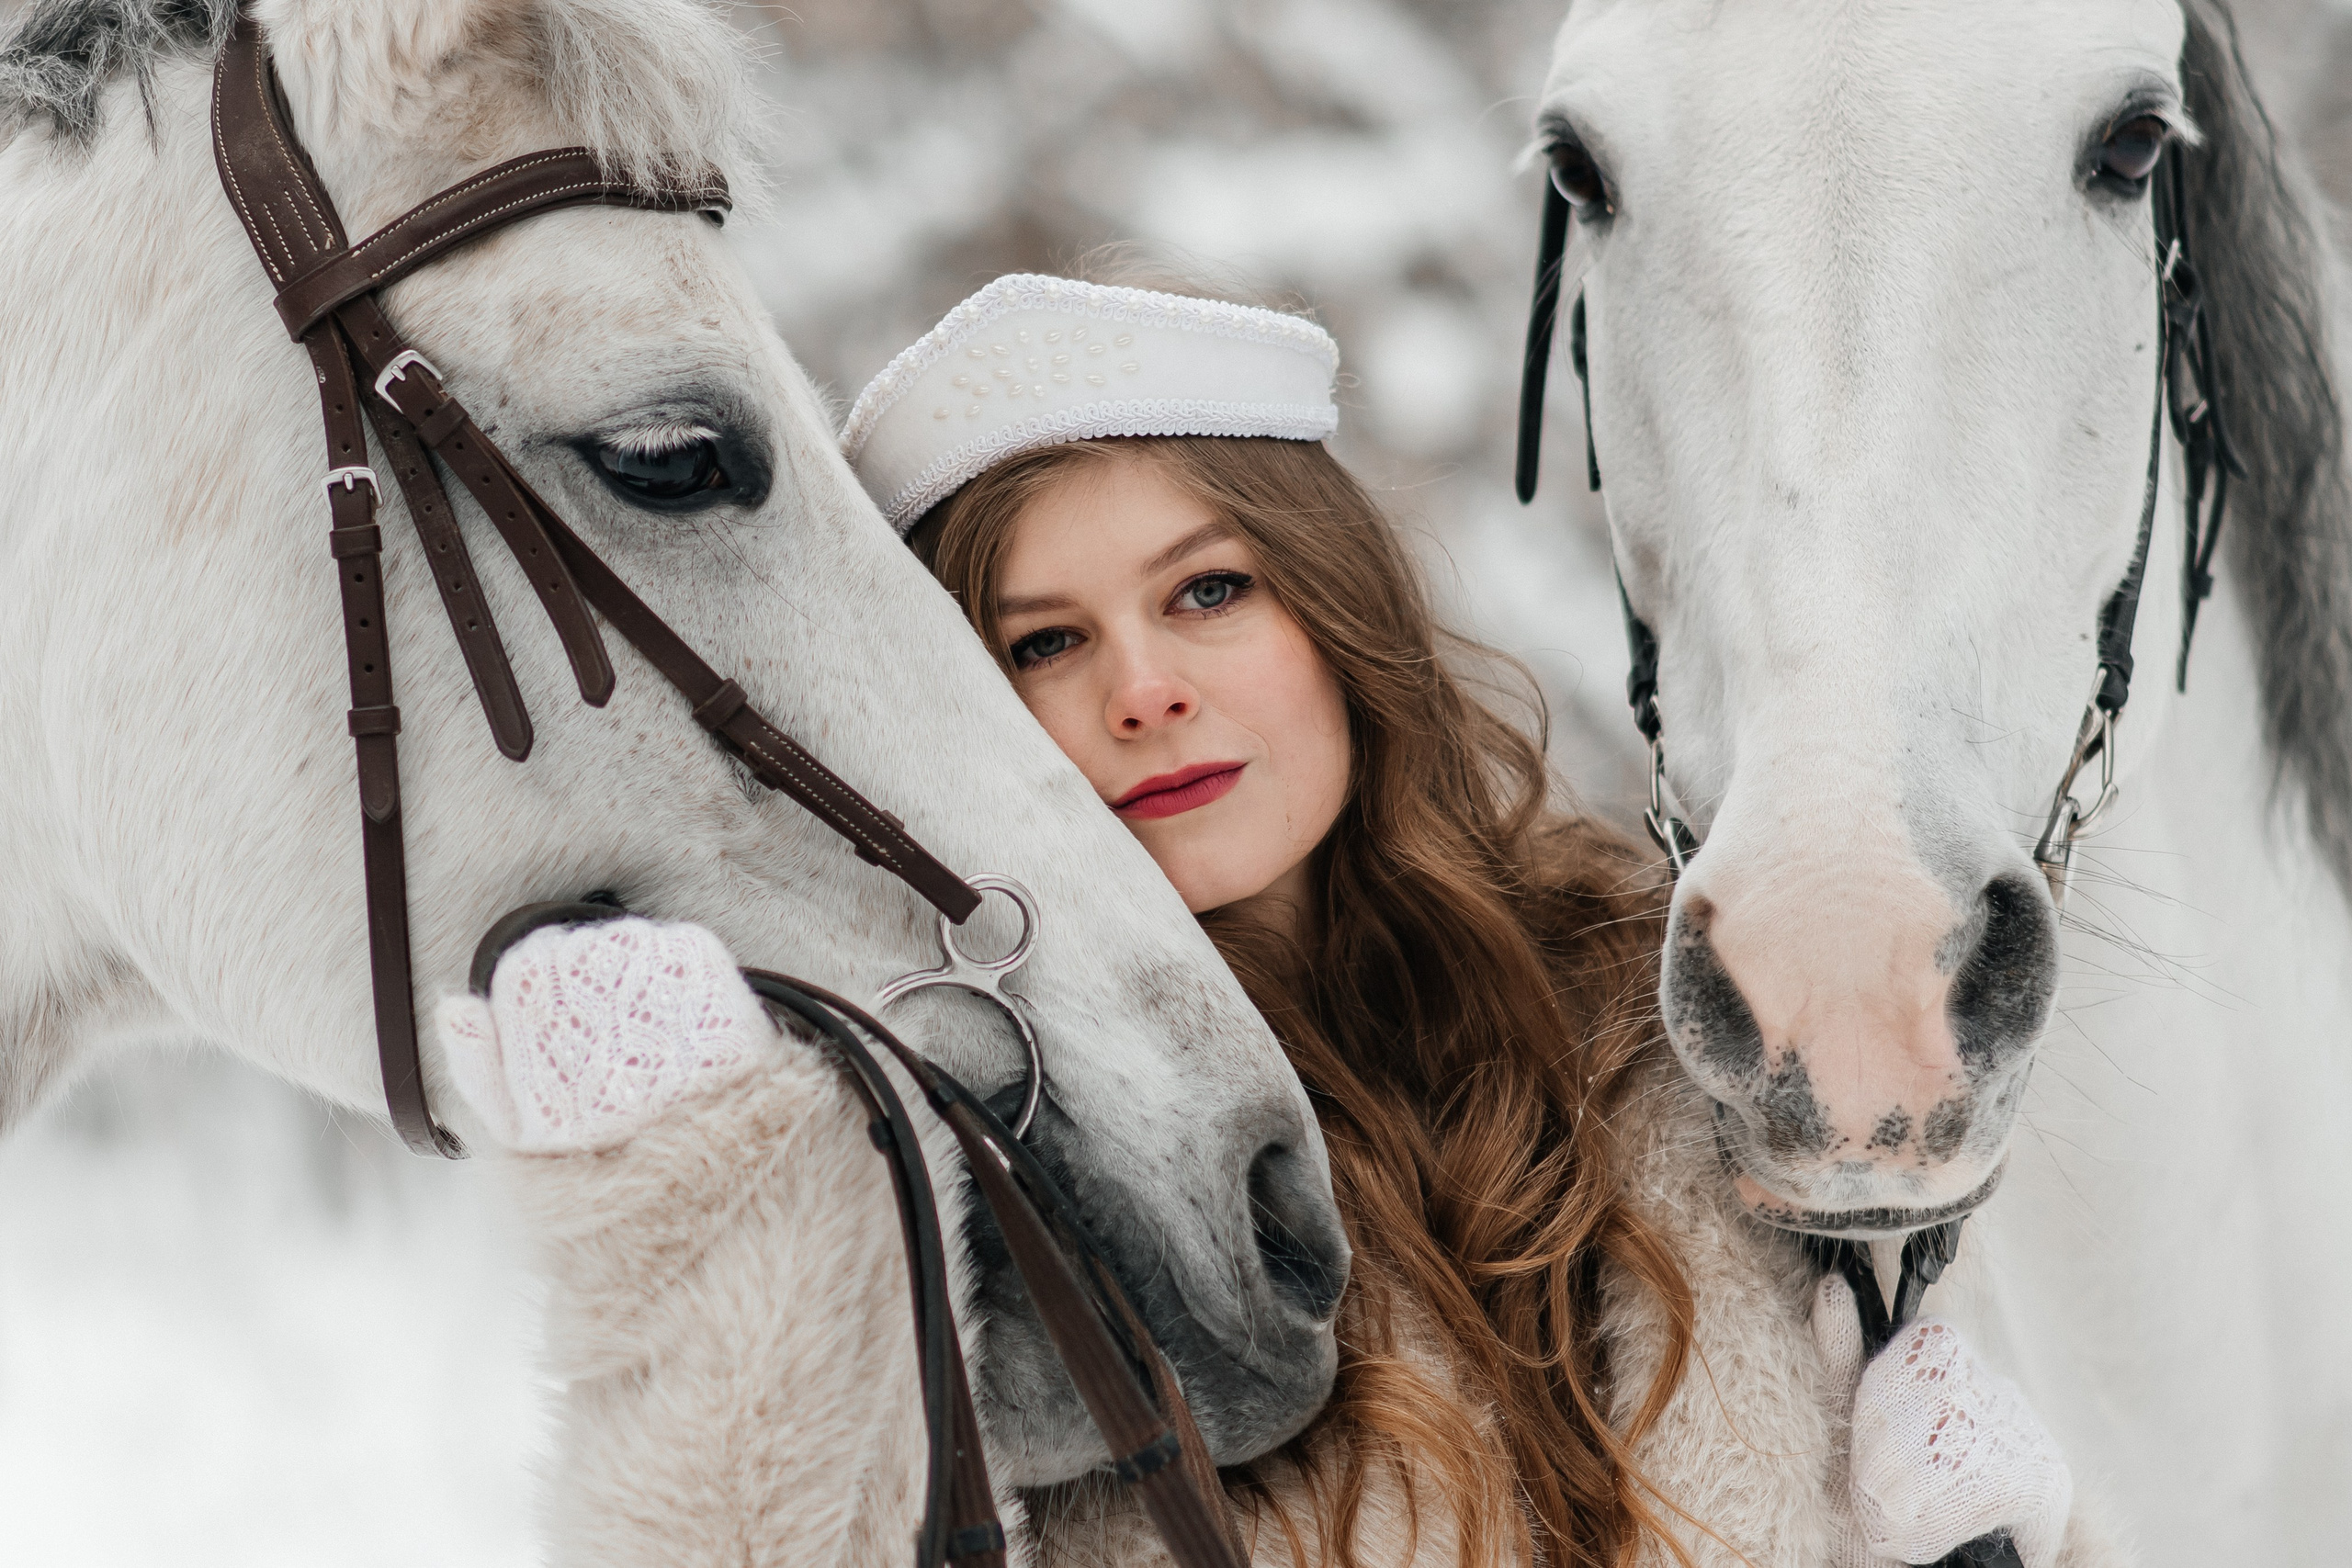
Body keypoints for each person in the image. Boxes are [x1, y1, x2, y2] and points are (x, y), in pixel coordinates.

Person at [437, 275, 2081, 1568]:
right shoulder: (945, 1161)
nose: (1143, 691)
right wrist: (694, 1232)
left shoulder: (1680, 1030)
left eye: (1207, 593)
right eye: (1041, 644)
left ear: (1333, 612)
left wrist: (1981, 1541)